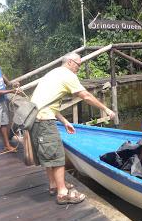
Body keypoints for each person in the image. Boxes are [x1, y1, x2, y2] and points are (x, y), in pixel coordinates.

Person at [30, 52, 116, 205]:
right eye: (78, 65)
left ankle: (53, 185)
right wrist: (106, 109)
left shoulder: (53, 73)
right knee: (57, 156)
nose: (79, 68)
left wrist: (64, 121)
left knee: (49, 154)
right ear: (70, 62)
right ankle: (63, 194)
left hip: (37, 118)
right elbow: (86, 96)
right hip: (44, 121)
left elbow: (46, 101)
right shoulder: (67, 75)